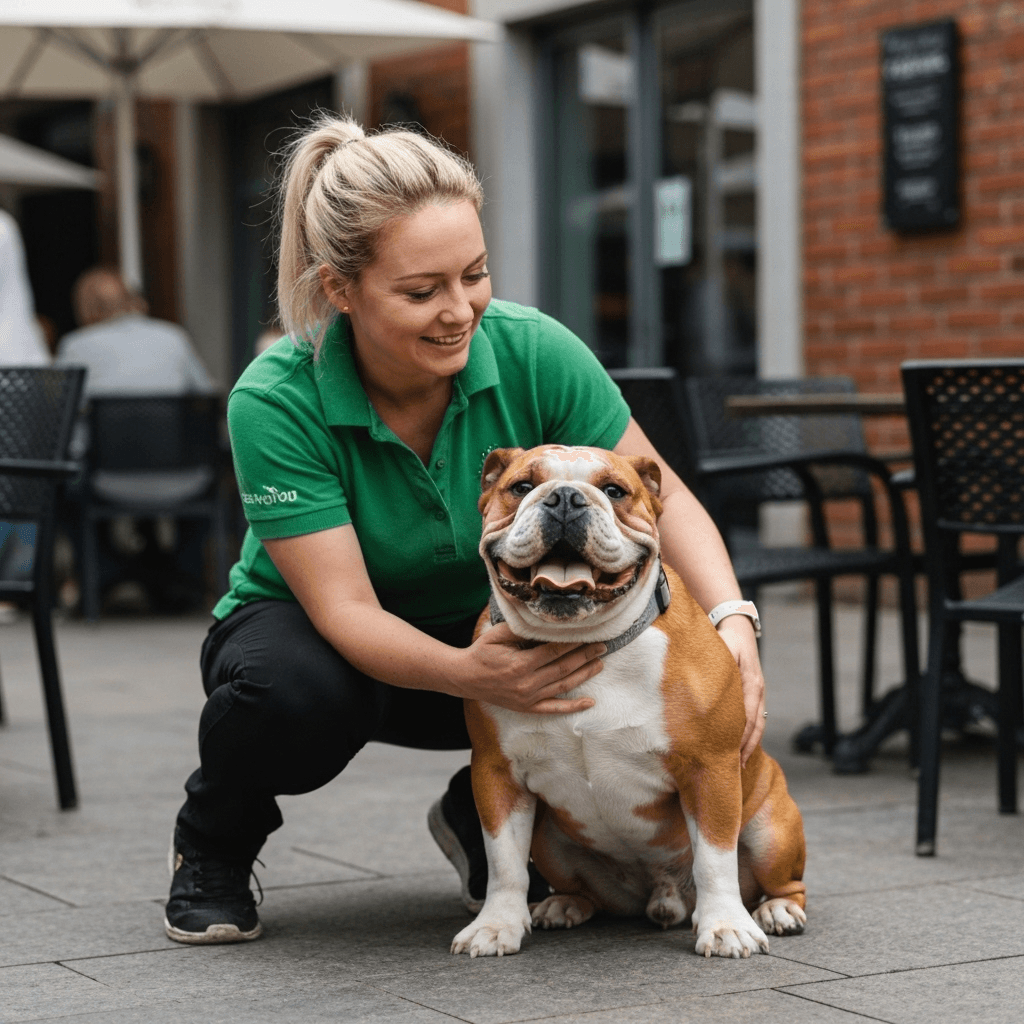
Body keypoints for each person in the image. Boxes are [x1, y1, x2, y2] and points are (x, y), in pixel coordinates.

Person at [164, 115, 767, 945]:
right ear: (340, 289)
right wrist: (471, 675)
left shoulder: (535, 349)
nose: (460, 311)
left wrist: (735, 625)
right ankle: (214, 844)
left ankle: (485, 808)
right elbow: (345, 611)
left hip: (503, 623)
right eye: (422, 292)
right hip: (330, 641)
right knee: (285, 693)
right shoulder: (274, 399)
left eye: (475, 275)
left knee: (633, 655)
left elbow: (663, 498)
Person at [55, 268, 215, 612]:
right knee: (211, 471)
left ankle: (103, 573)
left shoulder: (75, 346)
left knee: (61, 486)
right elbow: (206, 398)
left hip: (105, 479)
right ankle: (182, 575)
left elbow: (61, 421)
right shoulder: (174, 338)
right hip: (184, 478)